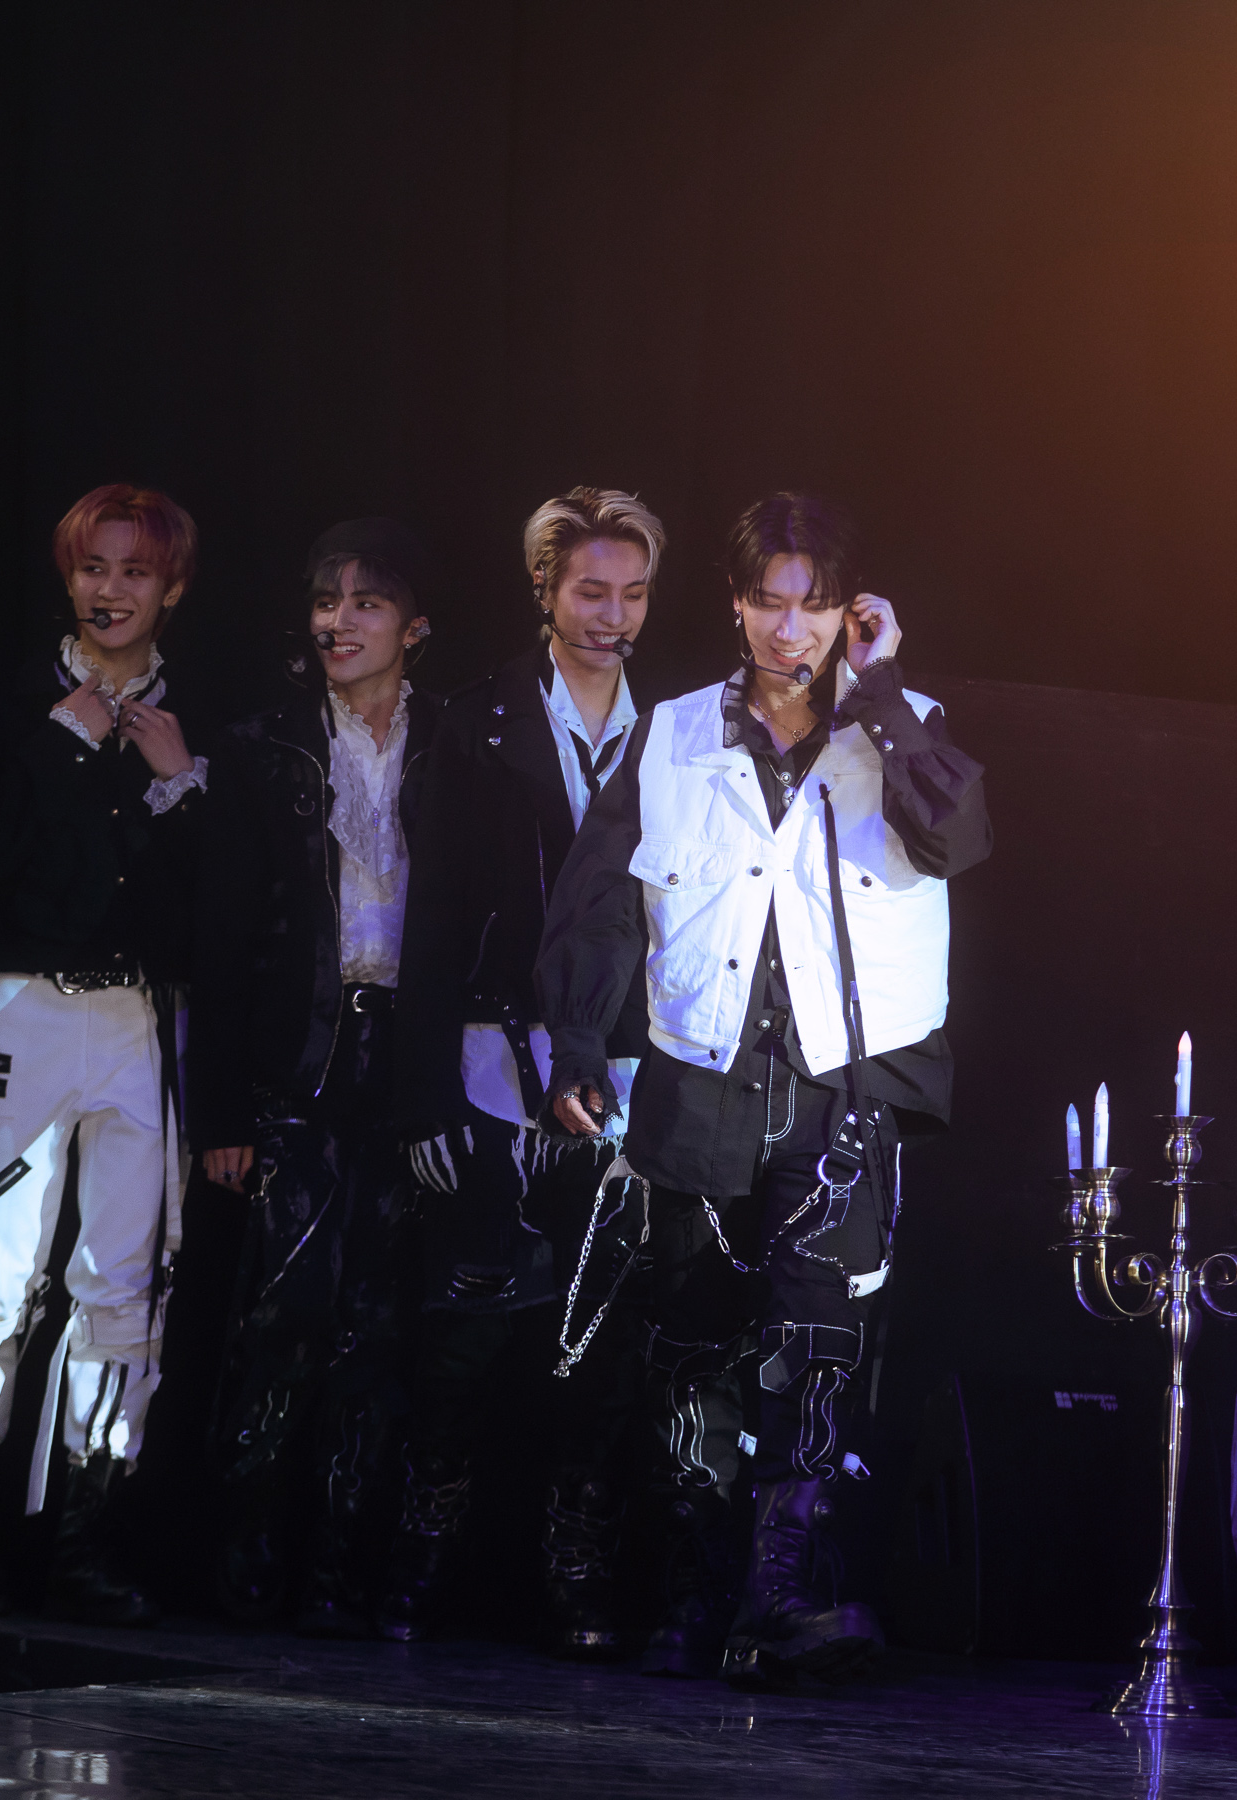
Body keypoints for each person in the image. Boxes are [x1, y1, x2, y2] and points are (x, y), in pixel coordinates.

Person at [536, 491, 992, 1687]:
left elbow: (957, 839)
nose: (793, 630)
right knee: (691, 1344)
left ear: (851, 612)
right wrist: (577, 1044)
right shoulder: (674, 733)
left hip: (843, 1083)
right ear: (736, 605)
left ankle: (778, 1594)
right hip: (701, 1074)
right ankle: (693, 1595)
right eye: (771, 604)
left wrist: (880, 694)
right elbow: (599, 903)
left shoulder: (905, 725)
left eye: (817, 607)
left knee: (814, 1343)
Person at [0, 483, 207, 1624]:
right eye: (91, 568)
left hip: (139, 1020)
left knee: (123, 1286)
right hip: (22, 1008)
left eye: (133, 571)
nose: (109, 590)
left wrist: (180, 787)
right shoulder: (9, 707)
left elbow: (219, 911)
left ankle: (85, 1539)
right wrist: (57, 746)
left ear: (171, 588)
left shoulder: (194, 718)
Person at [384, 487, 663, 1654]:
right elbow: (433, 913)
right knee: (468, 1325)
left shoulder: (678, 730)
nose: (613, 615)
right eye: (592, 590)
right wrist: (418, 1089)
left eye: (634, 593)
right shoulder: (475, 720)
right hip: (489, 1054)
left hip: (629, 1063)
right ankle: (421, 1555)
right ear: (544, 588)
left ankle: (578, 1568)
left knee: (602, 1340)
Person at [192, 518, 435, 1636]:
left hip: (409, 1061)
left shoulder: (453, 742)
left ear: (414, 626)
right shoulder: (266, 744)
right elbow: (226, 939)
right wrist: (223, 1108)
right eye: (325, 601)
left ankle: (341, 1569)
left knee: (380, 1326)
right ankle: (245, 1559)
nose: (338, 621)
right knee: (285, 1310)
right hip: (302, 1055)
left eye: (365, 602)